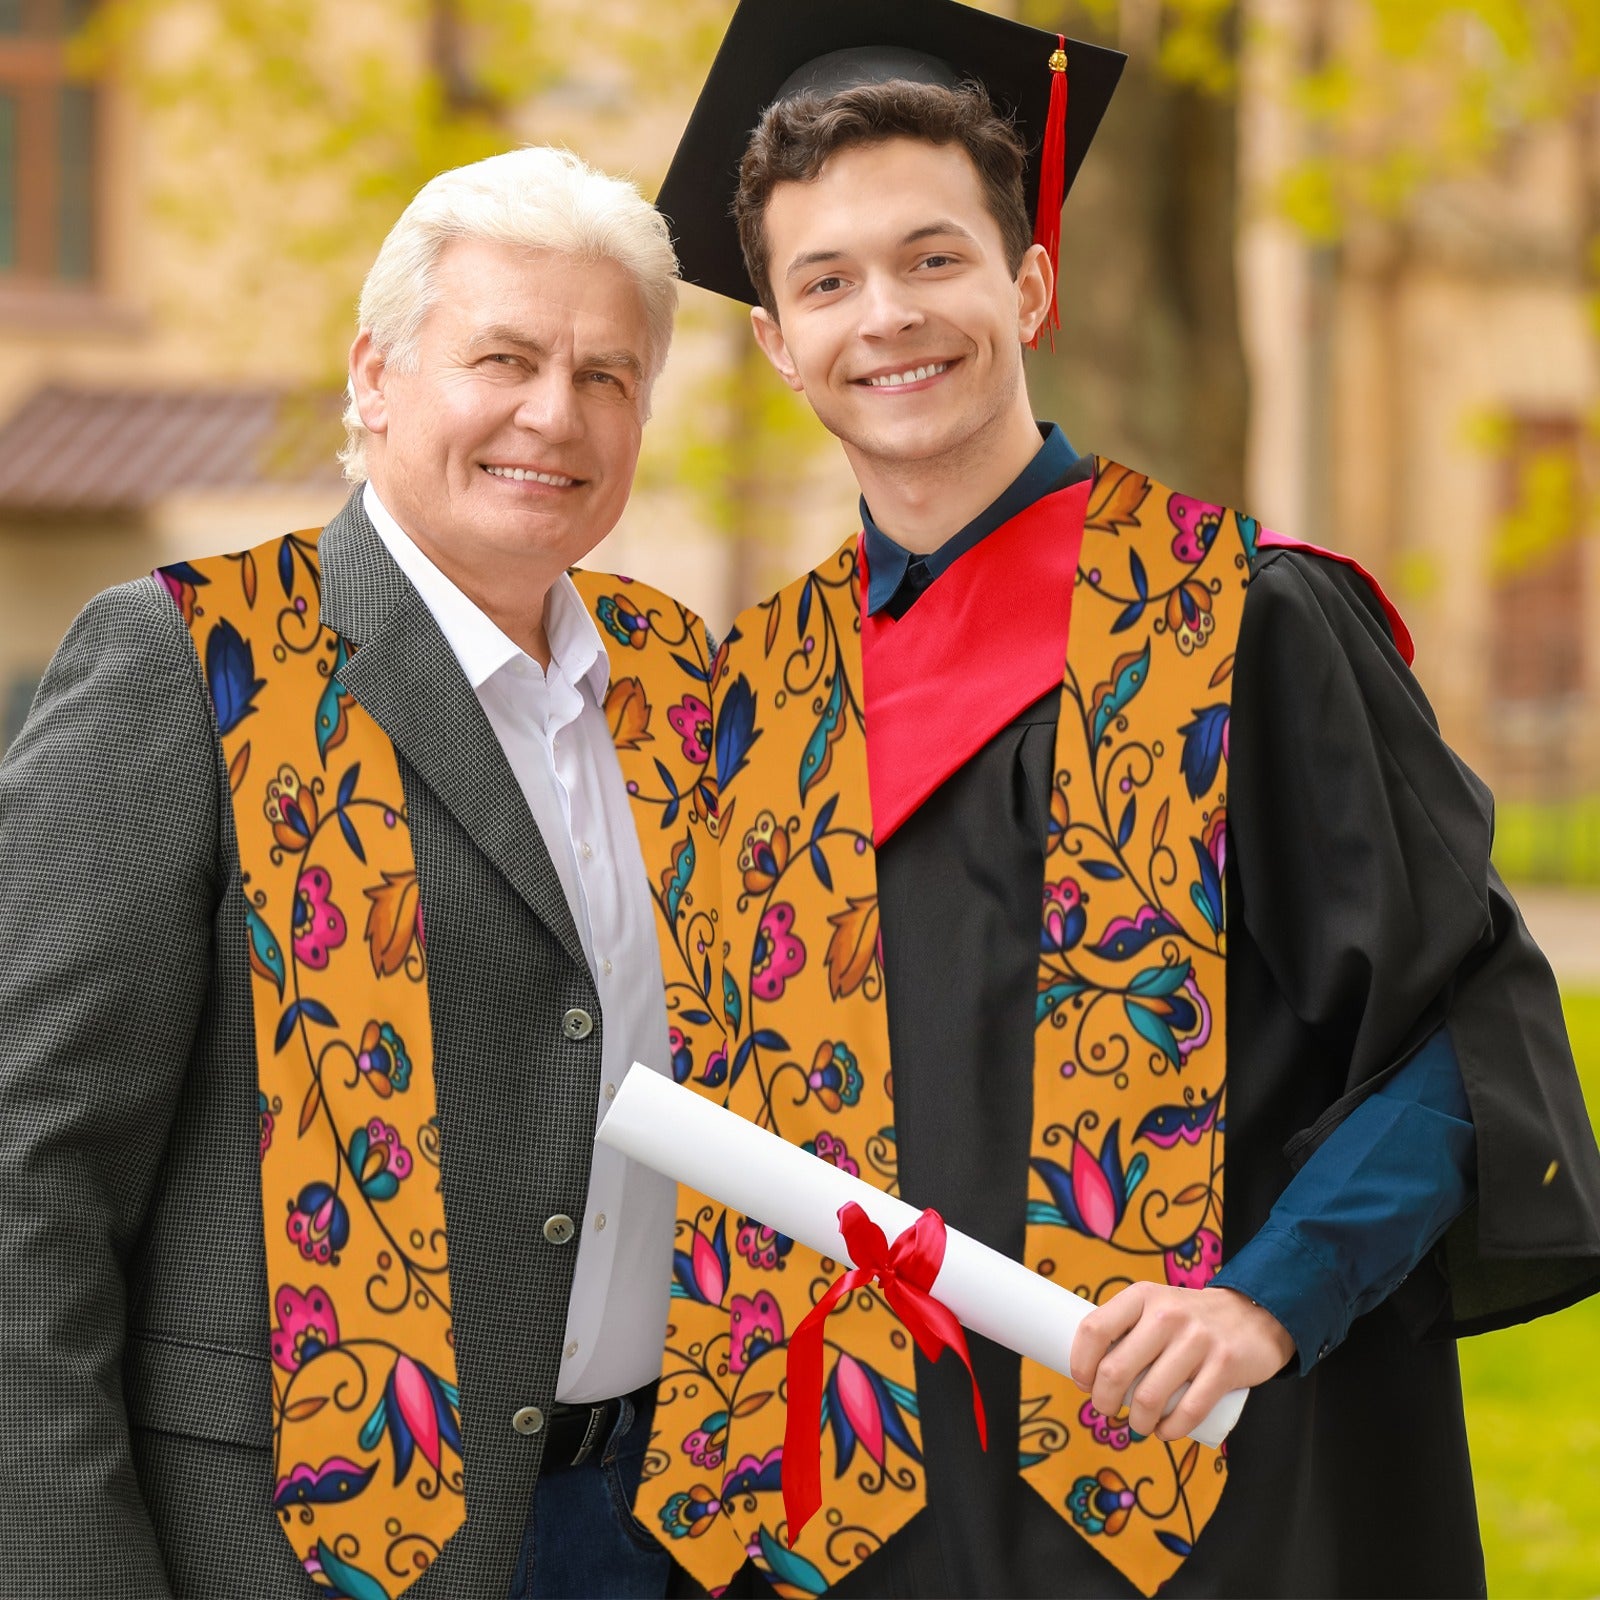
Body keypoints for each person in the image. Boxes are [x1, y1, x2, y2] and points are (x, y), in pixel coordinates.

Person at [632, 2, 1600, 1596]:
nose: (888, 316)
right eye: (828, 281)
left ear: (1029, 282)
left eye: (935, 259)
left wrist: (1269, 1298)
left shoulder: (1243, 625)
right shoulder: (756, 702)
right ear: (777, 342)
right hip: (859, 1520)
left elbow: (1462, 1033)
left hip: (1201, 1495)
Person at [0, 146, 722, 1599]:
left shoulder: (685, 686)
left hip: (655, 1530)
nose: (553, 414)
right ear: (376, 376)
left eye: (606, 375)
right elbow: (29, 1173)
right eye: (503, 357)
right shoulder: (192, 663)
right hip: (294, 1544)